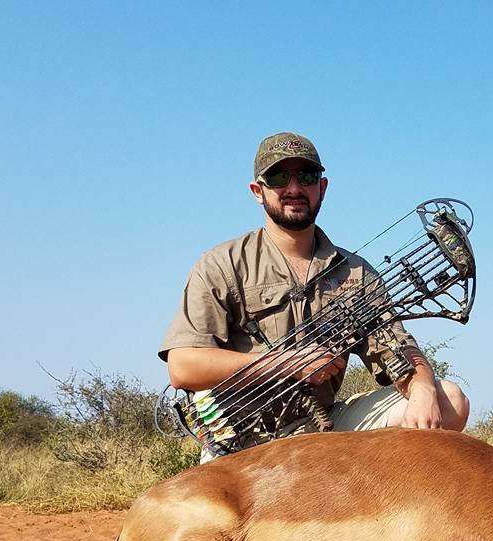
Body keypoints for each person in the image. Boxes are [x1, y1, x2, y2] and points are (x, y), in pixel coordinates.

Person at [159, 131, 469, 460]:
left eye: (306, 176)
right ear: (257, 191)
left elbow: (398, 349)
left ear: (322, 187)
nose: (294, 189)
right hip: (239, 441)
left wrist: (421, 386)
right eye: (279, 177)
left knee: (449, 400)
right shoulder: (221, 265)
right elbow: (182, 367)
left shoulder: (355, 273)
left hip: (322, 431)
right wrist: (284, 364)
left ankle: (367, 502)